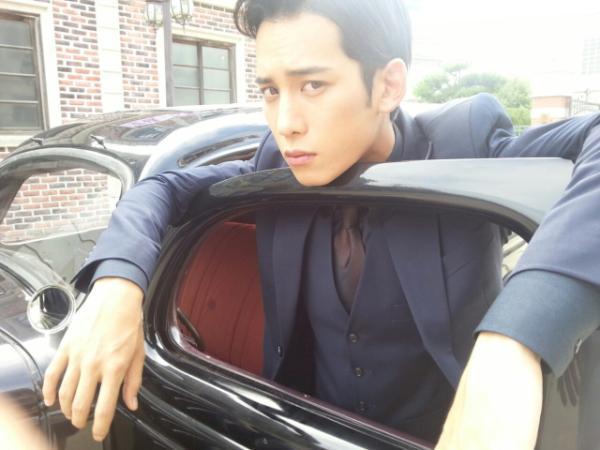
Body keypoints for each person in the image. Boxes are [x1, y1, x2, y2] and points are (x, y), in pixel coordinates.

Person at [42, 0, 600, 448]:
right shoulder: (273, 165)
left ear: (388, 86)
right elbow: (164, 187)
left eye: (312, 85)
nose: (285, 124)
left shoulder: (465, 141)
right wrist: (116, 287)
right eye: (270, 90)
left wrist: (513, 342)